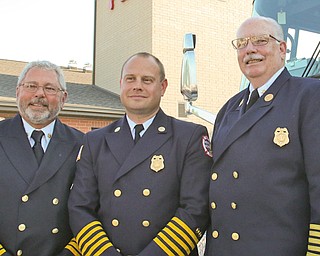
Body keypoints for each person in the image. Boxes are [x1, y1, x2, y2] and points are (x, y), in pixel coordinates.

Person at [68, 52, 212, 255]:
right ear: (121, 84)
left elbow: (196, 208)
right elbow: (79, 207)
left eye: (147, 80)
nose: (137, 86)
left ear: (162, 87)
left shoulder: (188, 137)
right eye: (130, 79)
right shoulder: (95, 141)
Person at [205, 16, 320, 255]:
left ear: (282, 49)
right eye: (242, 43)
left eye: (260, 40)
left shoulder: (309, 96)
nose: (250, 49)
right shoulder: (228, 109)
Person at [0, 60, 83, 256]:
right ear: (17, 91)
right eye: (31, 86)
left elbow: (90, 209)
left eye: (50, 88)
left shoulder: (83, 145)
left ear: (63, 98)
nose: (39, 94)